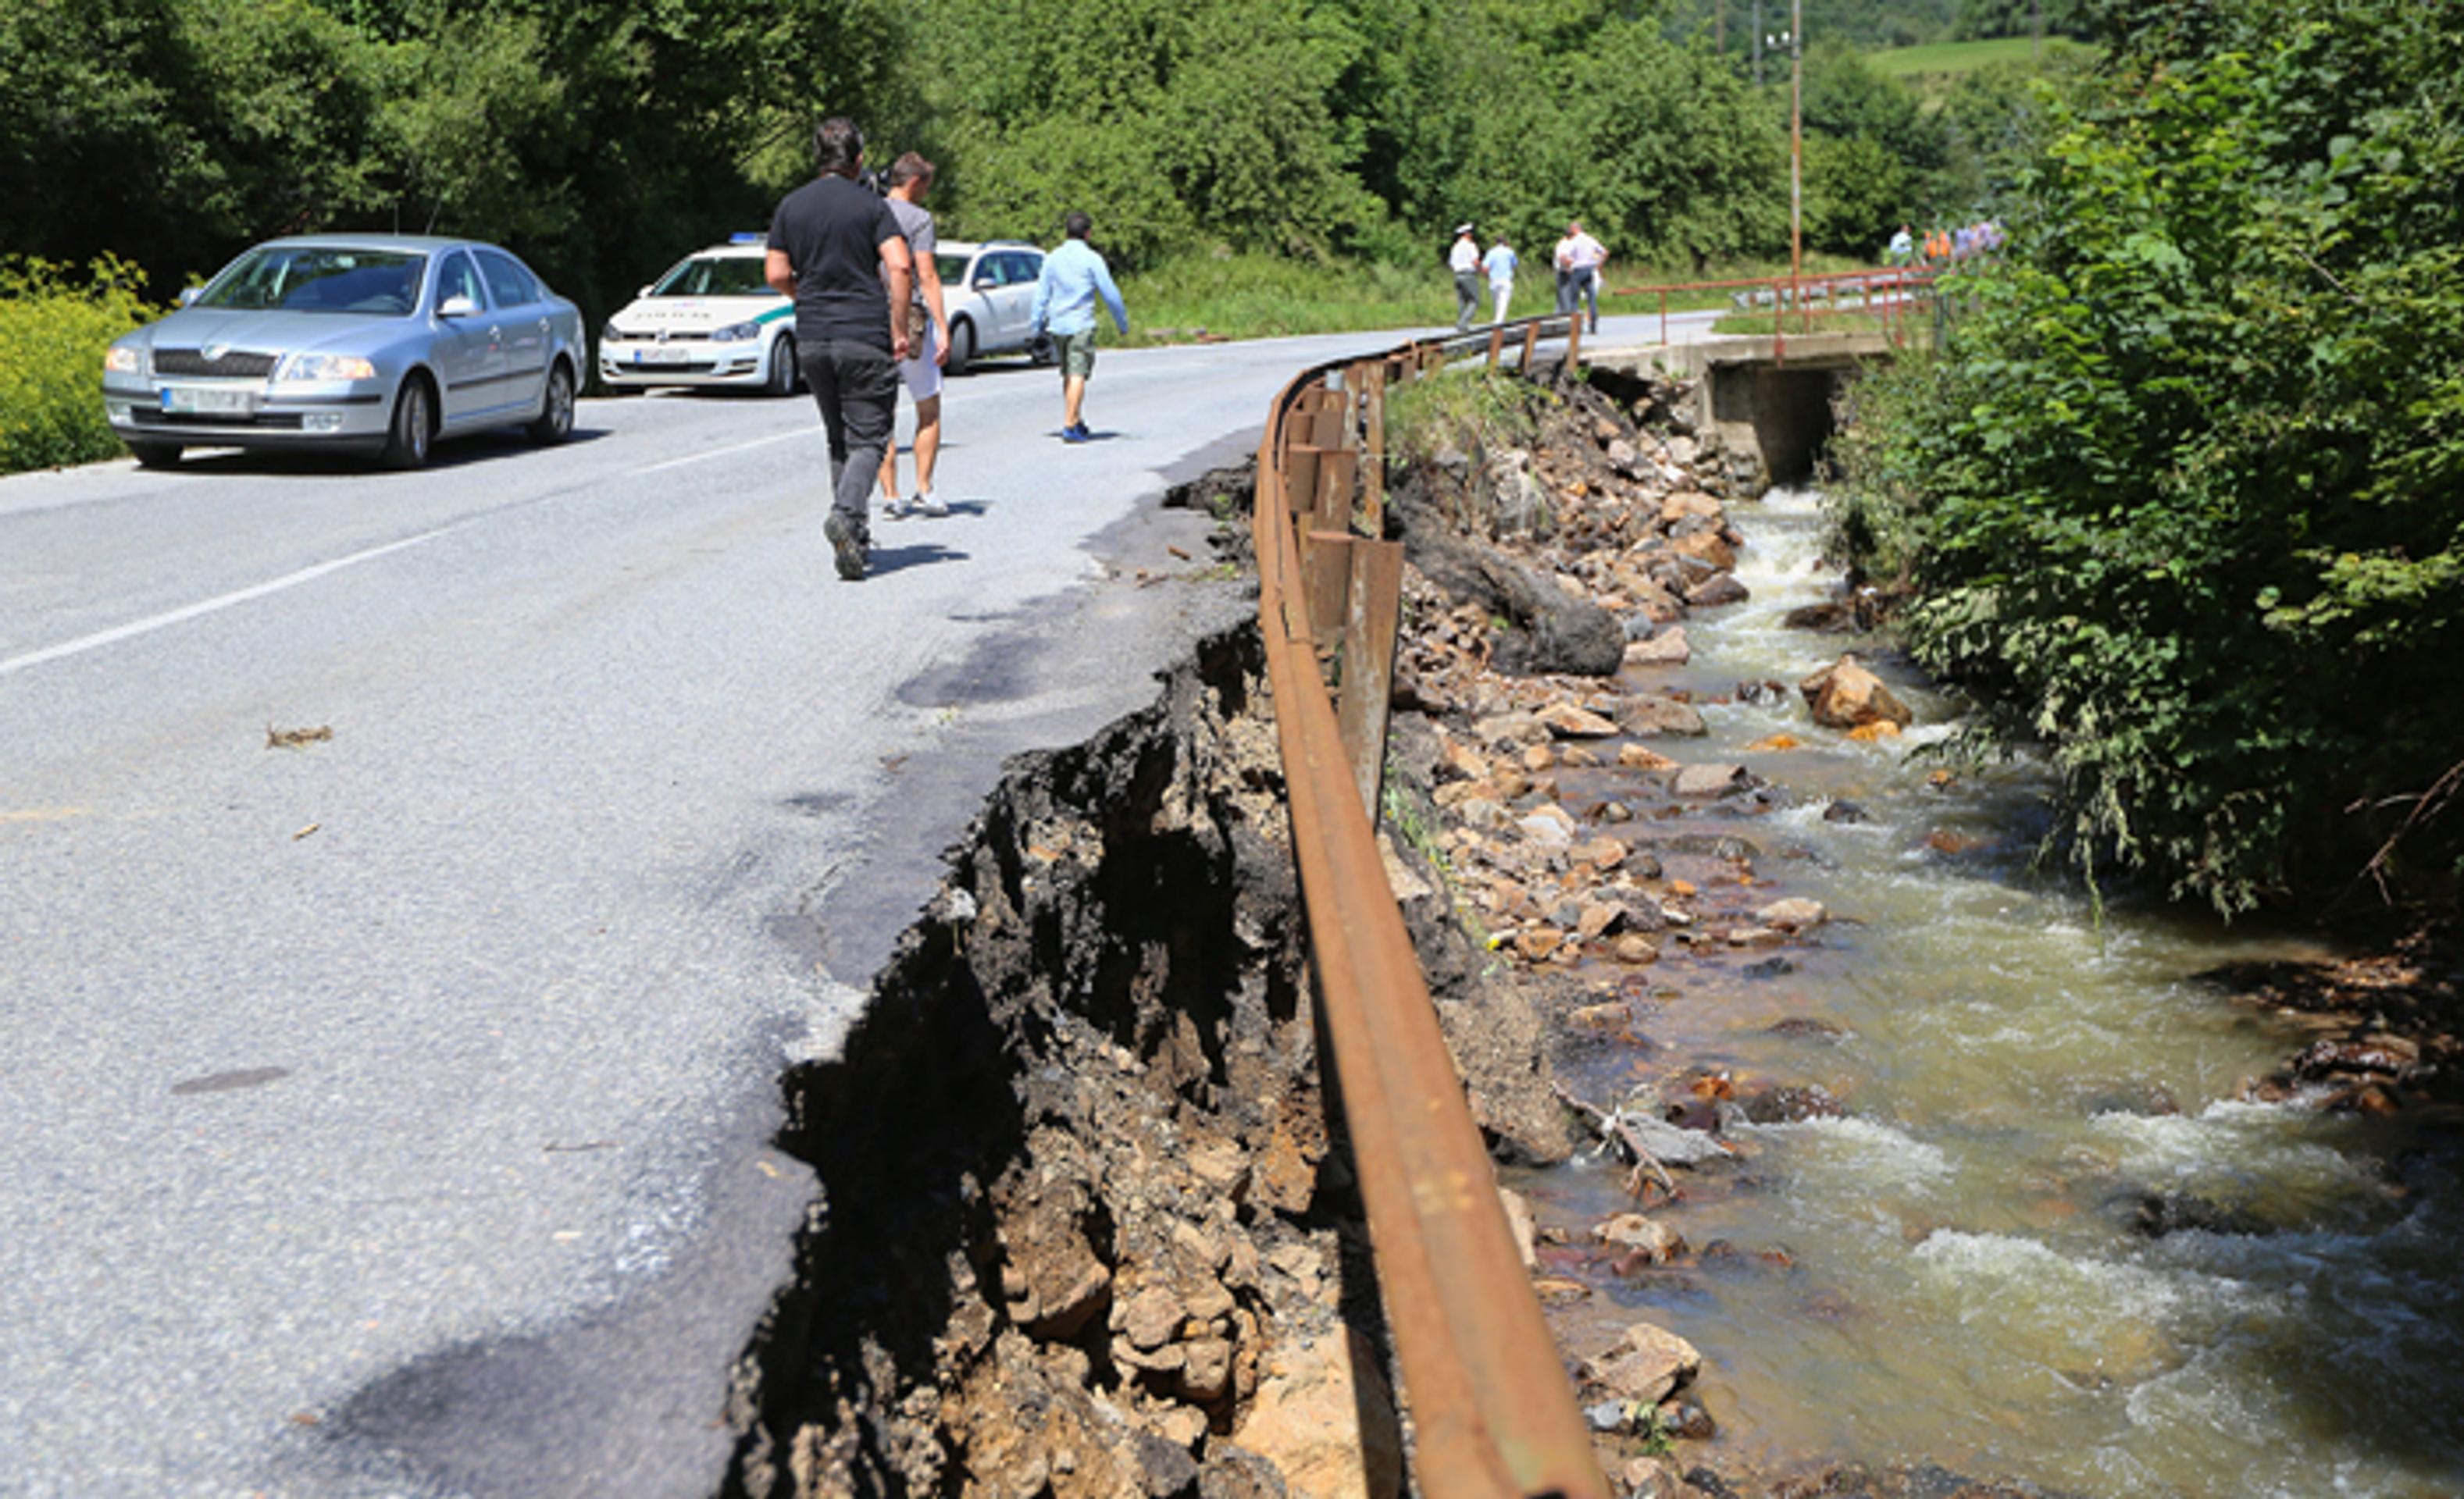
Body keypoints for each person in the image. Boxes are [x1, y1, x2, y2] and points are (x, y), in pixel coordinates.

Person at [765, 116, 912, 582]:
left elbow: (775, 274)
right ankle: (847, 517)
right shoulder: (871, 207)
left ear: (817, 158)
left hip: (812, 337)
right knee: (870, 437)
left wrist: (805, 296)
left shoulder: (791, 206)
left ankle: (855, 541)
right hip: (864, 335)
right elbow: (901, 265)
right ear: (860, 160)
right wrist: (900, 327)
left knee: (839, 438)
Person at [875, 152, 950, 519]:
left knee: (880, 411)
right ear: (915, 183)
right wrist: (944, 328)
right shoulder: (919, 219)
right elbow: (927, 274)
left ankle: (891, 495)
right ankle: (924, 488)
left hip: (873, 320)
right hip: (913, 319)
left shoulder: (868, 211)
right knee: (928, 407)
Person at [1028, 210, 1128, 443]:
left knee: (1069, 374)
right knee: (1078, 373)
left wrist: (1036, 325)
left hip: (1057, 325)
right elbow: (1110, 293)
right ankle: (1070, 425)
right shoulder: (1092, 259)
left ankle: (1075, 418)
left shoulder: (1052, 258)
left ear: (1067, 232)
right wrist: (1121, 322)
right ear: (1088, 233)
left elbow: (1041, 293)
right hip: (1081, 323)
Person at [1553, 220, 1606, 333]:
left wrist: (1567, 265)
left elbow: (1563, 256)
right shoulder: (1590, 239)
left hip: (1577, 270)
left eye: (1571, 229)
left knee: (1574, 299)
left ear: (1575, 229)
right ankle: (1593, 323)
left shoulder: (1575, 241)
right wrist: (1598, 265)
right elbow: (1604, 252)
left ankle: (1575, 325)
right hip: (1589, 269)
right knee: (1591, 298)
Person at [1447, 223, 1481, 333]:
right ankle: (1462, 323)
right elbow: (1475, 261)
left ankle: (1462, 326)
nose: (1472, 235)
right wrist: (1482, 270)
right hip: (1468, 274)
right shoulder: (1470, 246)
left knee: (1461, 301)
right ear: (1466, 234)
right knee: (1474, 301)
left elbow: (1451, 264)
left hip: (1458, 275)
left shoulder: (1455, 247)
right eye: (1471, 233)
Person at [1482, 233, 1518, 324]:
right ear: (1505, 242)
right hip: (1506, 279)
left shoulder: (1491, 252)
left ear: (1496, 242)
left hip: (1494, 279)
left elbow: (1485, 267)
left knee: (1496, 301)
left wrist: (1487, 277)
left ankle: (1497, 319)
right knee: (1504, 301)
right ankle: (1499, 321)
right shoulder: (1510, 252)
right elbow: (1515, 264)